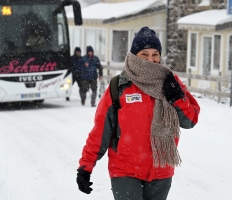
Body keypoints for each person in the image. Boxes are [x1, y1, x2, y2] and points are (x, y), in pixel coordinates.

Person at [76, 27, 200, 200]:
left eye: (155, 54)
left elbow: (190, 120)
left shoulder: (171, 82)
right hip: (125, 171)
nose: (151, 59)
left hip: (161, 171)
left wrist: (178, 98)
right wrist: (86, 166)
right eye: (144, 54)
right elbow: (100, 131)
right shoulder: (119, 86)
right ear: (135, 56)